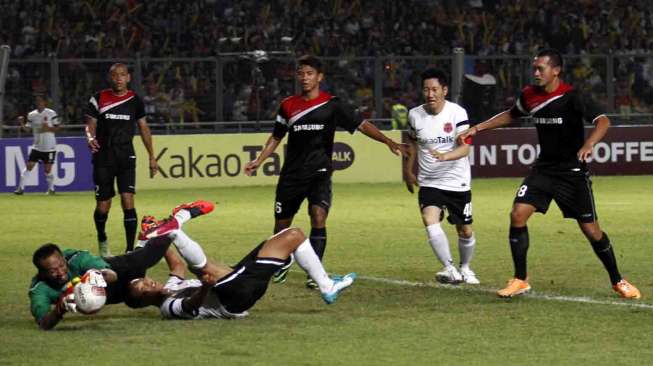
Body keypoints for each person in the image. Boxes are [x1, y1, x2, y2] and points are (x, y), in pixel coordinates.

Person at [457, 49, 641, 299]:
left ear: (556, 71)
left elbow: (603, 121)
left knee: (591, 231)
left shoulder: (572, 97)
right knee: (518, 214)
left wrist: (589, 144)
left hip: (572, 173)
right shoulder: (529, 95)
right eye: (534, 68)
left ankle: (618, 280)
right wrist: (479, 127)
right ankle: (520, 279)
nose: (535, 73)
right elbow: (512, 115)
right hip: (544, 169)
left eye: (540, 68)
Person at [244, 55, 404, 289]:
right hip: (291, 175)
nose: (305, 78)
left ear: (319, 77)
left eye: (310, 73)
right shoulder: (288, 105)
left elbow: (361, 124)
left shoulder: (332, 105)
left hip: (319, 173)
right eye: (301, 73)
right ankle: (281, 261)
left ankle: (314, 273)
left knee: (318, 216)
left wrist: (388, 140)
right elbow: (277, 136)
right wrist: (259, 160)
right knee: (281, 227)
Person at [28, 200, 213, 330]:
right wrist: (59, 310)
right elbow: (44, 323)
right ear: (42, 273)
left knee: (145, 259)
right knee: (136, 300)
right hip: (114, 293)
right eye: (53, 271)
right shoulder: (39, 290)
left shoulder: (77, 259)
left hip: (115, 270)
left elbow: (112, 275)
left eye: (61, 266)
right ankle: (148, 235)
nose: (61, 272)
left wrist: (92, 278)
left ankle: (179, 217)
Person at [127, 215, 357, 319]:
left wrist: (153, 238)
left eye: (143, 280)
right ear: (144, 301)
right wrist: (205, 288)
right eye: (143, 289)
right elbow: (190, 306)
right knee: (206, 270)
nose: (148, 283)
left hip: (233, 282)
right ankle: (175, 229)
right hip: (233, 299)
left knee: (288, 236)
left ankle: (170, 232)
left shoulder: (170, 286)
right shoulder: (168, 308)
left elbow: (177, 264)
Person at [403, 68, 479, 285]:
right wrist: (408, 170)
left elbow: (465, 149)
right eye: (426, 89)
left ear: (444, 90)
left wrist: (445, 156)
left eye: (435, 89)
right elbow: (411, 142)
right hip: (429, 182)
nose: (430, 94)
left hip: (457, 181)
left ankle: (465, 268)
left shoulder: (457, 113)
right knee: (430, 219)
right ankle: (449, 268)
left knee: (464, 230)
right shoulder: (414, 115)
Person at [85, 63, 158, 256]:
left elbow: (144, 129)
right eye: (115, 75)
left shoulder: (135, 100)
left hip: (126, 155)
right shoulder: (99, 98)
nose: (119, 78)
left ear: (128, 78)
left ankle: (129, 250)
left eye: (122, 75)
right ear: (110, 78)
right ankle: (102, 238)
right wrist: (90, 138)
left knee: (128, 200)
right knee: (103, 205)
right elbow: (90, 124)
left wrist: (152, 157)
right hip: (103, 156)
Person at [14, 95, 60, 195]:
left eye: (40, 101)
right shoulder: (32, 115)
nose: (38, 102)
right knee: (29, 166)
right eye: (37, 101)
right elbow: (27, 129)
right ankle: (20, 189)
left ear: (45, 102)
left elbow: (58, 128)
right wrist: (22, 123)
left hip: (49, 147)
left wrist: (48, 128)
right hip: (37, 147)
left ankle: (51, 189)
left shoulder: (51, 113)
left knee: (47, 170)